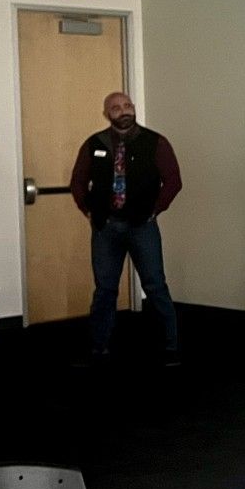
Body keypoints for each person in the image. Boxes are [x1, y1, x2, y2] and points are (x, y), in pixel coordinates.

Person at [70, 91, 183, 365]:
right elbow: (78, 182)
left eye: (128, 106)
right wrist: (89, 211)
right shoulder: (94, 143)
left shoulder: (155, 142)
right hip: (105, 228)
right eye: (116, 108)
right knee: (105, 289)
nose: (124, 111)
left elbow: (173, 181)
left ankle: (171, 347)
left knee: (155, 285)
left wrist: (154, 210)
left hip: (142, 226)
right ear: (107, 114)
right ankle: (99, 348)